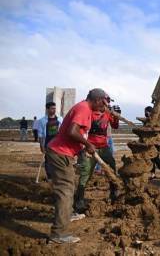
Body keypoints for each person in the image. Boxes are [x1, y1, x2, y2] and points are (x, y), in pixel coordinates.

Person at [46, 88, 107, 244]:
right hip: (60, 153)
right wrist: (87, 144)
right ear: (98, 100)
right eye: (104, 101)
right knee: (65, 191)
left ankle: (68, 213)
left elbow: (74, 133)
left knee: (68, 187)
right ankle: (58, 234)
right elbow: (72, 131)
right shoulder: (83, 108)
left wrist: (82, 148)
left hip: (62, 153)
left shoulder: (83, 108)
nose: (105, 105)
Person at [74, 96, 120, 213]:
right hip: (90, 148)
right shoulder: (89, 112)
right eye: (105, 101)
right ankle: (79, 199)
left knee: (112, 166)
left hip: (104, 147)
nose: (106, 104)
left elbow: (115, 126)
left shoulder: (108, 113)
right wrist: (85, 146)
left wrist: (116, 116)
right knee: (85, 173)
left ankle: (114, 192)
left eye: (108, 102)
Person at [38, 102, 63, 181]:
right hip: (48, 144)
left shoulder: (60, 119)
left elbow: (63, 131)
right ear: (47, 109)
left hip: (58, 144)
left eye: (55, 108)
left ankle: (58, 176)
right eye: (52, 108)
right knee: (48, 161)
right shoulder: (42, 121)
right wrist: (41, 146)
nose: (54, 110)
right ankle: (50, 177)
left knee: (58, 160)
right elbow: (40, 134)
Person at [145, 106, 160, 179]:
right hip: (149, 142)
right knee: (151, 158)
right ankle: (153, 174)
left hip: (156, 142)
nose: (145, 113)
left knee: (156, 157)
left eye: (146, 111)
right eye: (145, 112)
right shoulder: (147, 121)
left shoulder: (157, 121)